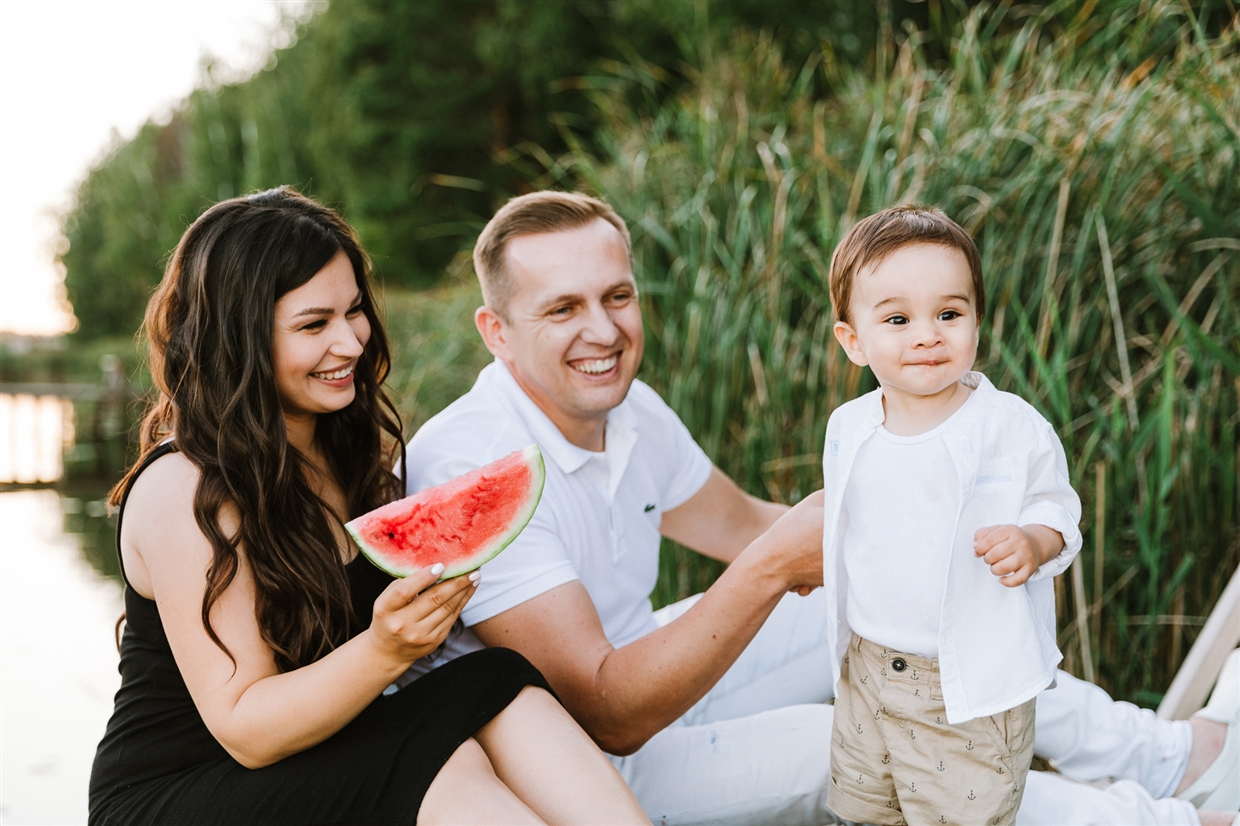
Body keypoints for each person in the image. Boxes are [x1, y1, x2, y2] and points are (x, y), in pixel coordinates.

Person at [403, 189, 1238, 826]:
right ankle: (1167, 821)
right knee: (876, 744)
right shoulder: (466, 463)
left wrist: (928, 555)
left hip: (661, 662)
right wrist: (777, 566)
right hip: (589, 764)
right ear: (495, 330)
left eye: (616, 296)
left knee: (908, 618)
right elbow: (607, 710)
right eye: (561, 308)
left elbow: (743, 528)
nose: (604, 330)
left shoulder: (628, 406)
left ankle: (1170, 756)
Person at [88, 187, 650, 826]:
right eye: (312, 324)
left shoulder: (342, 450)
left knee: (492, 678)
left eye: (353, 311)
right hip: (180, 793)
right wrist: (386, 648)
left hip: (306, 759)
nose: (353, 343)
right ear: (237, 338)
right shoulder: (183, 486)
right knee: (436, 759)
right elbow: (244, 727)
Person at [821, 205, 1081, 825]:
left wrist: (1033, 541)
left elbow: (1059, 508)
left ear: (975, 322)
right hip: (867, 668)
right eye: (897, 319)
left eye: (948, 314)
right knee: (865, 812)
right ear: (853, 341)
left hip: (967, 688)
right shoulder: (848, 427)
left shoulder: (1009, 425)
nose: (927, 334)